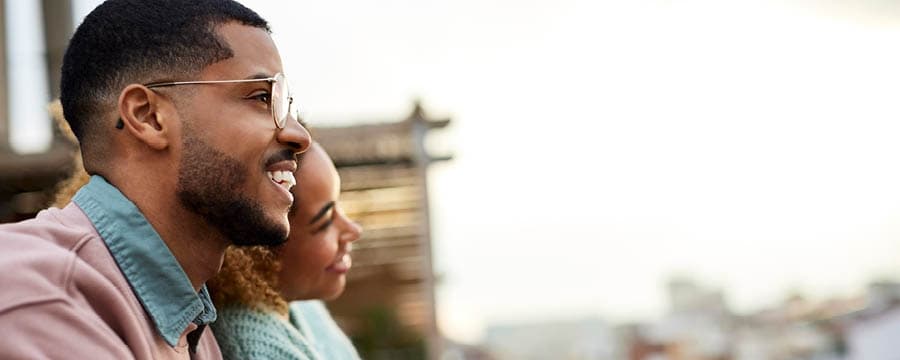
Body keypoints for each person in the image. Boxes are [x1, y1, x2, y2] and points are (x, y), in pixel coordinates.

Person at [0, 0, 311, 358]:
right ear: (148, 116)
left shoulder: (194, 329)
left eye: (284, 105)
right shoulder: (40, 301)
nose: (299, 135)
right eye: (260, 96)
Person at [208, 142, 363, 360]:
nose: (353, 230)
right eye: (326, 221)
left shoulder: (297, 302)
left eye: (339, 205)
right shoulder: (256, 351)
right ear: (258, 251)